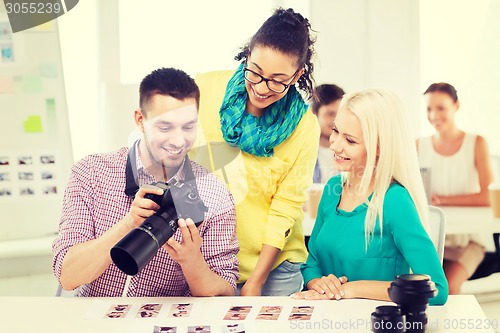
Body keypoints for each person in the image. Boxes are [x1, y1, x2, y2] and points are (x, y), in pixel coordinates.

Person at [52, 68, 239, 297]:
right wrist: (129, 223)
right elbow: (67, 276)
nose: (179, 140)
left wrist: (192, 262)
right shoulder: (90, 174)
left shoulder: (214, 194)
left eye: (188, 127)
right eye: (165, 127)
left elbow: (226, 293)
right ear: (140, 120)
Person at [194, 7, 320, 296]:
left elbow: (286, 206)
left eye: (278, 80)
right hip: (207, 259)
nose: (262, 88)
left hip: (273, 268)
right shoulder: (204, 88)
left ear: (298, 74)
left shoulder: (304, 126)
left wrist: (257, 281)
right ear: (248, 55)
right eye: (256, 72)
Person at [292, 89, 448, 305]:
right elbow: (312, 262)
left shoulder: (394, 201)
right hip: (326, 317)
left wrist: (350, 289)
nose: (335, 145)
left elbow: (436, 290)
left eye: (351, 141)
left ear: (379, 148)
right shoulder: (332, 189)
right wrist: (318, 283)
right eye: (336, 131)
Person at [417, 82, 493, 294]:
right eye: (429, 109)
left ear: (456, 106)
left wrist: (443, 200)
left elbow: (488, 197)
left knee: (447, 289)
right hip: (432, 238)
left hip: (467, 240)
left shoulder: (476, 142)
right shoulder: (418, 145)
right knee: (419, 287)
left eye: (440, 108)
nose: (433, 115)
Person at [311, 84, 345, 183]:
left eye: (340, 114)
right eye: (330, 114)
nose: (336, 121)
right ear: (314, 114)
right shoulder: (301, 152)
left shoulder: (351, 153)